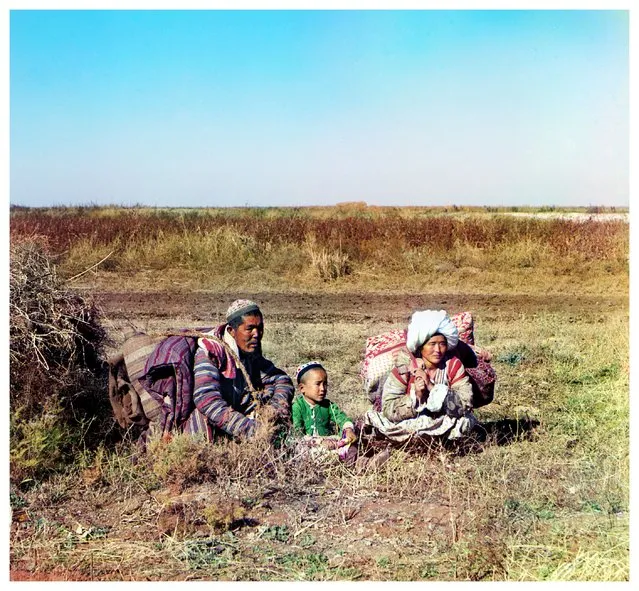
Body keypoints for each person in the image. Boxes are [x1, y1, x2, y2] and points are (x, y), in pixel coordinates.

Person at [364, 309, 477, 442]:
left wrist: (431, 386)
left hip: (444, 421)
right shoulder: (405, 367)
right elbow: (388, 407)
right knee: (378, 420)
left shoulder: (453, 365)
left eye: (442, 344)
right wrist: (415, 397)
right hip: (410, 422)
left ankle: (424, 441)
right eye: (432, 344)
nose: (437, 350)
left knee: (465, 421)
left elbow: (466, 402)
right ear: (420, 346)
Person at [291, 361, 357, 460]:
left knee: (351, 445)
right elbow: (297, 434)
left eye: (325, 384)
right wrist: (319, 442)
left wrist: (348, 429)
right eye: (318, 384)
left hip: (330, 443)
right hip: (309, 445)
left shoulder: (328, 405)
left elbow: (341, 418)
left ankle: (362, 462)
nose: (322, 388)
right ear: (302, 388)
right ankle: (342, 458)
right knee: (305, 452)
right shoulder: (298, 407)